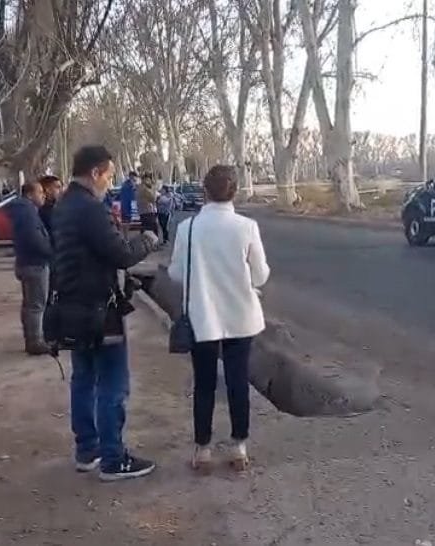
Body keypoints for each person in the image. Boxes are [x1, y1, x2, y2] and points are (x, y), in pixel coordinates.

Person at [51, 145, 160, 481]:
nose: (110, 183)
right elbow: (121, 254)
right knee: (113, 383)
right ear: (95, 173)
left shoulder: (63, 205)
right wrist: (148, 240)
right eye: (108, 176)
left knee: (83, 379)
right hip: (99, 310)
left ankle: (88, 449)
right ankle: (114, 458)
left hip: (72, 306)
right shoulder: (90, 209)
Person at [167, 165, 271, 473]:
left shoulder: (188, 228)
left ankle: (203, 449)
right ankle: (239, 446)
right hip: (240, 316)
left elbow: (176, 273)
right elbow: (260, 275)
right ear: (235, 191)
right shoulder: (247, 227)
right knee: (238, 381)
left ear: (204, 191)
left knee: (204, 384)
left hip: (202, 318)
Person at [7, 180, 52, 355]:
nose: (43, 196)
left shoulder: (24, 210)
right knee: (36, 305)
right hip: (35, 263)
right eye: (40, 192)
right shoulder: (27, 212)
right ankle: (35, 341)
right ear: (30, 194)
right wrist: (50, 251)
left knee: (30, 304)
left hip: (26, 262)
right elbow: (34, 239)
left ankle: (32, 338)